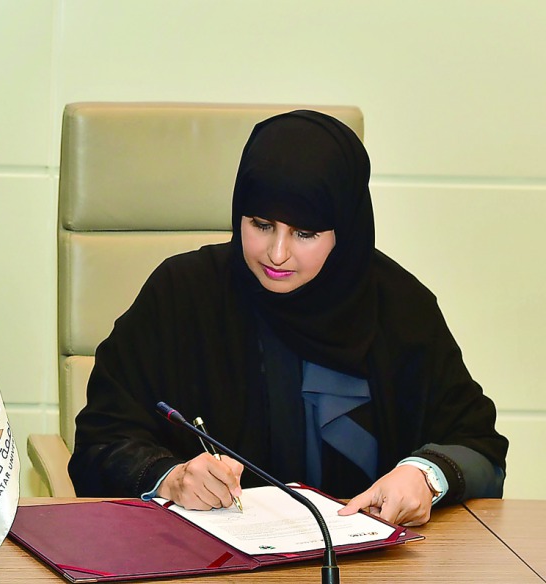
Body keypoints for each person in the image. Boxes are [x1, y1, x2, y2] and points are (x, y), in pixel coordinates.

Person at [68, 110, 506, 527]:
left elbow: (478, 447)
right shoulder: (181, 295)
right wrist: (170, 477)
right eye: (261, 225)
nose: (277, 253)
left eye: (305, 233)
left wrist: (425, 475)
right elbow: (100, 442)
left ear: (345, 229)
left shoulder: (399, 307)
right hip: (209, 560)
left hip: (372, 562)